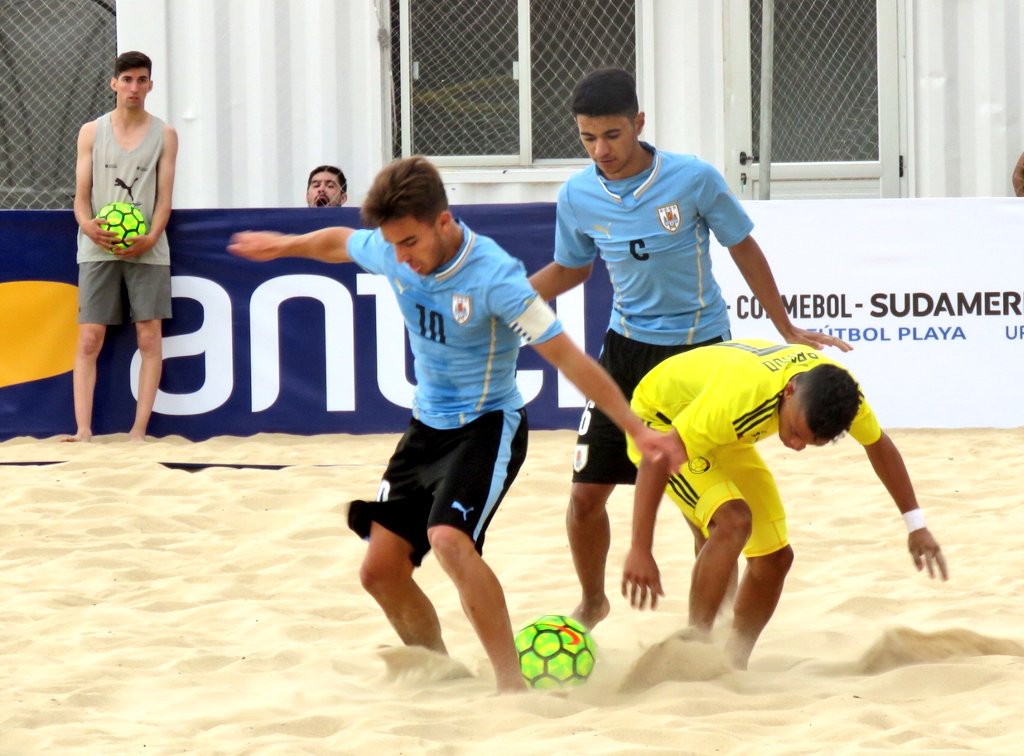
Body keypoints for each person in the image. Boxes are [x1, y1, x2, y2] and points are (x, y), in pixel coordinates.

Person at [227, 156, 683, 693]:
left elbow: (569, 357)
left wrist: (634, 427)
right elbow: (338, 242)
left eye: (411, 243)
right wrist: (282, 245)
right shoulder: (393, 249)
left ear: (444, 221)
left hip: (489, 425)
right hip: (426, 426)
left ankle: (511, 689)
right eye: (393, 244)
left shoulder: (495, 275)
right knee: (379, 572)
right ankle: (442, 672)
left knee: (447, 538)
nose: (402, 258)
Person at [528, 67, 849, 630]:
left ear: (639, 124)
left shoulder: (692, 178)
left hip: (701, 354)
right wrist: (507, 298)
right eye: (587, 138)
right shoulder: (578, 195)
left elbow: (743, 248)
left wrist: (786, 325)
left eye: (612, 135)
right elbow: (572, 268)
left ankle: (710, 622)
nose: (600, 149)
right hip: (625, 352)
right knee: (585, 497)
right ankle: (593, 600)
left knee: (702, 509)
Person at [619, 338, 948, 670]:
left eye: (808, 442)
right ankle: (692, 653)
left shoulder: (846, 399)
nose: (795, 444)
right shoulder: (739, 399)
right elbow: (658, 457)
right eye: (794, 431)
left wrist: (916, 525)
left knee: (776, 559)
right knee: (734, 521)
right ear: (789, 391)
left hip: (723, 434)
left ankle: (732, 665)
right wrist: (640, 548)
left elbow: (879, 445)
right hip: (660, 424)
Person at [67, 50, 178, 442]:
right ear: (114, 83)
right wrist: (89, 226)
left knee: (149, 336)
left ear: (150, 85)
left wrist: (150, 237)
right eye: (127, 79)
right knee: (89, 337)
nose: (134, 87)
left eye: (141, 80)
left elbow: (164, 200)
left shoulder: (164, 134)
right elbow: (81, 196)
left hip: (147, 247)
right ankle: (83, 431)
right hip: (98, 246)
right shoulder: (91, 132)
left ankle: (138, 431)